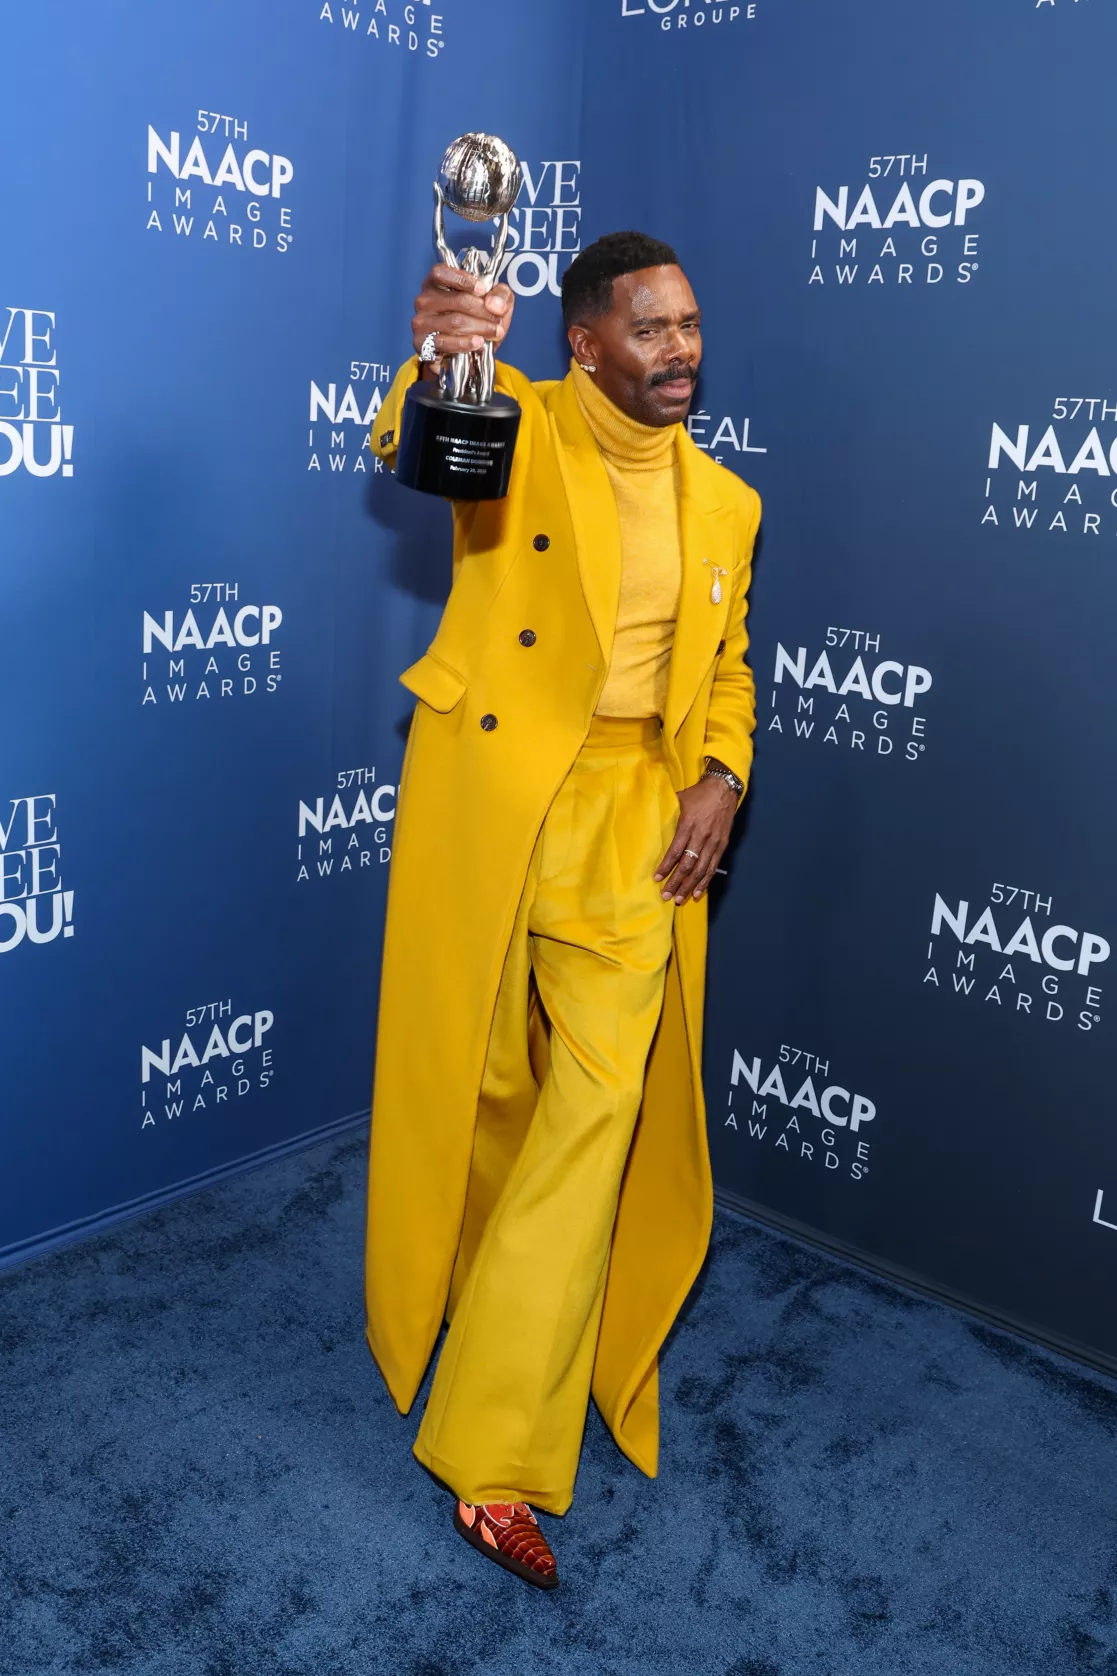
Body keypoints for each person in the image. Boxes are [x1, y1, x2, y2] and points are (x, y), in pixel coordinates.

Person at [365, 232, 761, 1590]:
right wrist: (444, 354)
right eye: (652, 329)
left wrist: (721, 772)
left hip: (630, 836)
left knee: (594, 1123)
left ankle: (491, 1458)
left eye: (693, 326)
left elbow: (729, 675)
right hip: (493, 810)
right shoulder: (519, 427)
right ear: (585, 341)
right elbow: (425, 450)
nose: (682, 350)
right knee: (487, 1106)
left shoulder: (727, 505)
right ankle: (478, 1323)